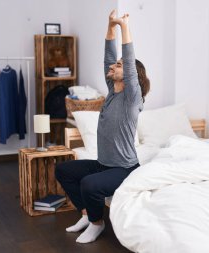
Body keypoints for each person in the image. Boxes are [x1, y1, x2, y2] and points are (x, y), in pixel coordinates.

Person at [55, 10, 150, 244]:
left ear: (129, 75)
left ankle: (98, 223)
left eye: (119, 66)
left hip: (124, 168)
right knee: (63, 171)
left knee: (89, 184)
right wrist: (110, 27)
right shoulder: (112, 91)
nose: (113, 66)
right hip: (103, 164)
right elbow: (108, 55)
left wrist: (124, 27)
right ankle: (88, 215)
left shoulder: (132, 99)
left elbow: (128, 62)